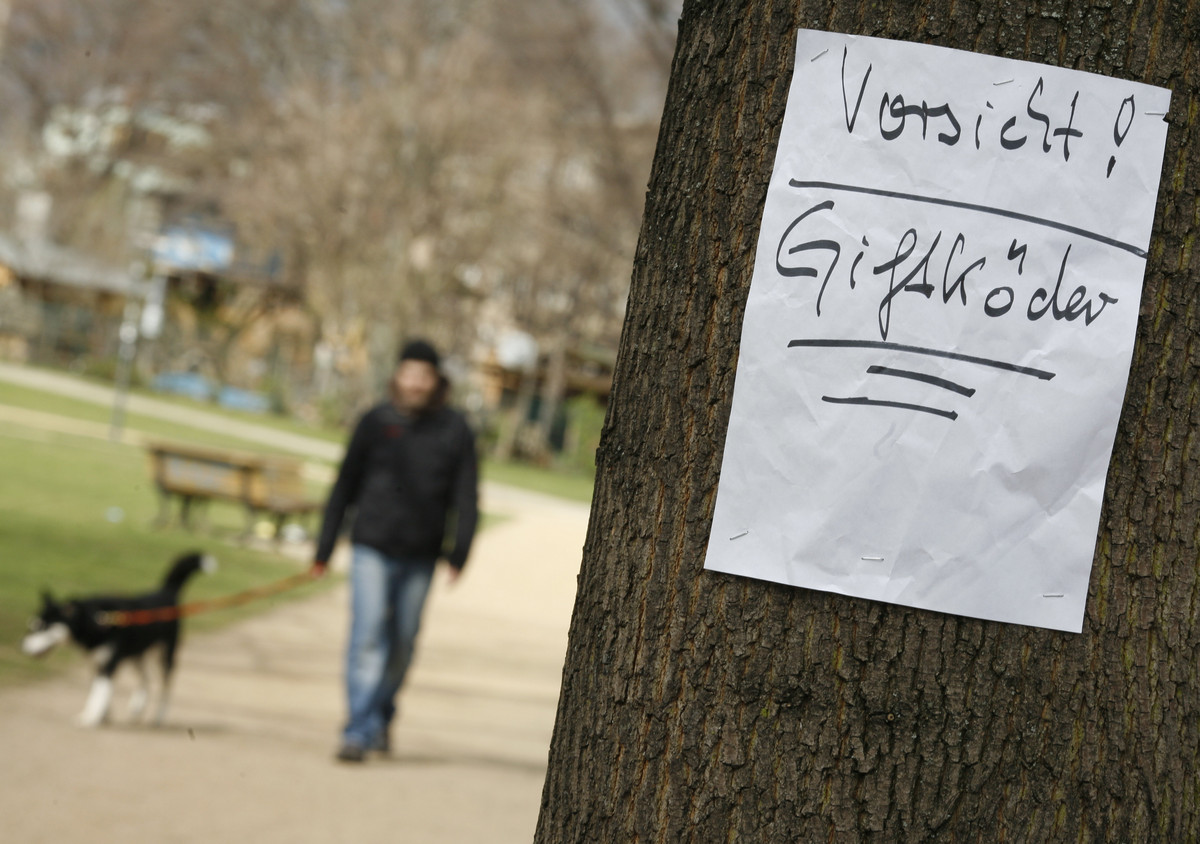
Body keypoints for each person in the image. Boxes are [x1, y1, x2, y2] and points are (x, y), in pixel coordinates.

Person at [310, 339, 479, 762]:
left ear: (437, 381)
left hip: (421, 553)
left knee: (402, 643)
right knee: (367, 635)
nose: (416, 383)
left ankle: (381, 713)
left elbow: (467, 494)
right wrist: (324, 548)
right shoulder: (375, 421)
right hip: (371, 545)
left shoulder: (454, 429)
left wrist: (460, 551)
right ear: (397, 375)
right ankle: (358, 730)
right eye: (409, 373)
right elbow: (344, 484)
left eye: (424, 376)